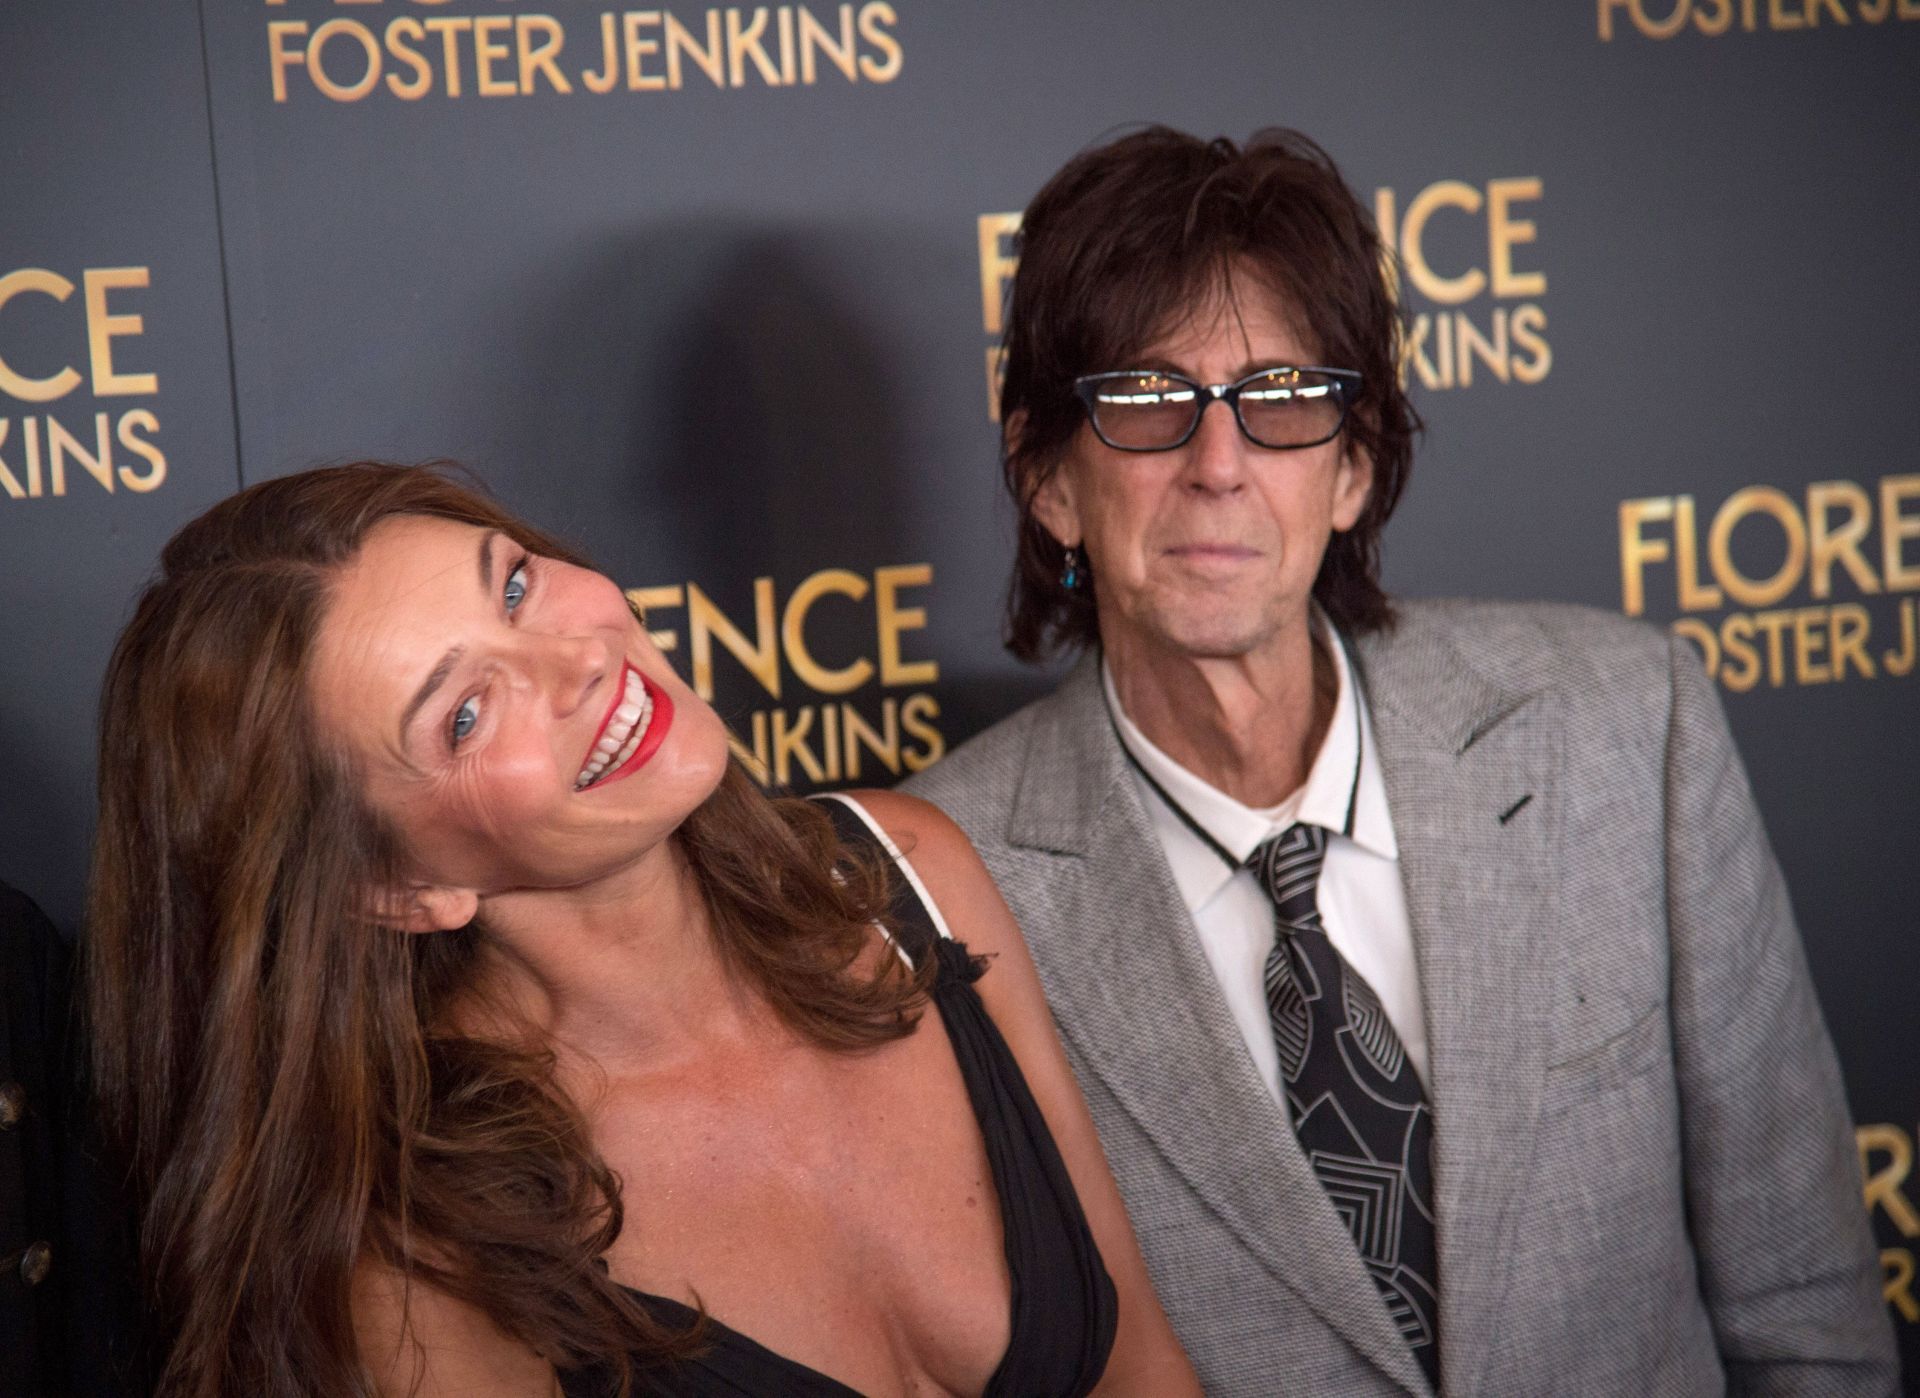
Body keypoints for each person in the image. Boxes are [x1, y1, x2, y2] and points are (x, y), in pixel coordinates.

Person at [905, 127, 1896, 1396]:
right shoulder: (944, 897)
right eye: (1150, 404)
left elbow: (1806, 1305)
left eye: (1283, 400)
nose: (1218, 466)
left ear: (1355, 468)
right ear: (1047, 479)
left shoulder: (1625, 728)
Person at [84, 463, 1197, 1398]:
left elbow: (1145, 1367)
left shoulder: (910, 871)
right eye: (466, 713)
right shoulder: (415, 1269)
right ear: (399, 889)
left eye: (514, 586)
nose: (578, 665)